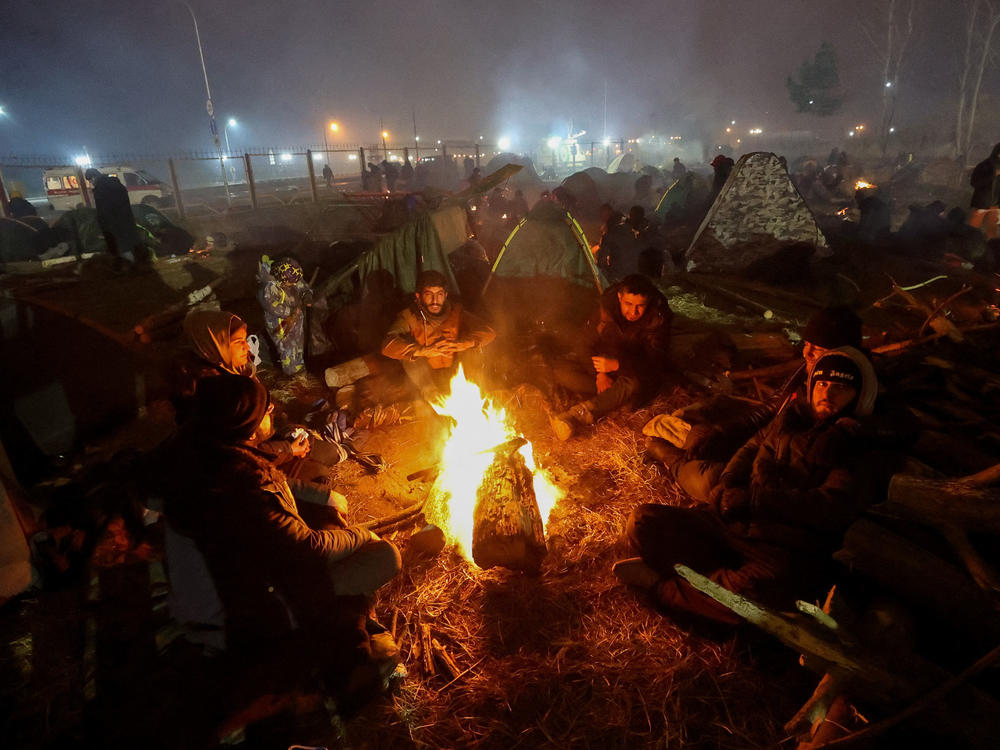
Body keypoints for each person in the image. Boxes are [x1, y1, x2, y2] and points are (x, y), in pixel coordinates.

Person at [160, 374, 401, 695]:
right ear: (245, 423)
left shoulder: (213, 451)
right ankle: (343, 630)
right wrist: (362, 534)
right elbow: (310, 548)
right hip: (245, 610)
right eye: (265, 409)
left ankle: (343, 615)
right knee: (385, 556)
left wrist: (326, 498)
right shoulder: (239, 485)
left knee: (323, 507)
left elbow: (277, 487)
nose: (273, 408)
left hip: (244, 575)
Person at [615, 347, 879, 625]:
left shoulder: (855, 446)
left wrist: (754, 501)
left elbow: (829, 505)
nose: (827, 393)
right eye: (822, 384)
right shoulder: (791, 419)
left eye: (840, 387)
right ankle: (711, 576)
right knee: (644, 520)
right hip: (736, 521)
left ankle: (665, 586)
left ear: (858, 396)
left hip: (781, 547)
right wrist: (726, 482)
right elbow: (750, 449)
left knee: (754, 595)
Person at [645, 306, 864, 504]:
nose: (806, 353)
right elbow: (769, 411)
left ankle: (669, 457)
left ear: (843, 353)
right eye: (806, 345)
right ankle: (674, 436)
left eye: (816, 348)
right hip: (763, 449)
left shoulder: (854, 396)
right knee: (706, 435)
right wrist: (723, 434)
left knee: (710, 479)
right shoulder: (808, 373)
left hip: (773, 473)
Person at [548, 274, 672, 440]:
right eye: (628, 304)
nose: (633, 312)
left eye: (640, 306)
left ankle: (578, 414)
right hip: (605, 370)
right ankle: (612, 399)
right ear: (619, 297)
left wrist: (618, 366)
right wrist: (599, 375)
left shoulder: (657, 319)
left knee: (635, 385)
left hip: (634, 375)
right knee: (562, 370)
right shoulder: (606, 310)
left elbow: (654, 363)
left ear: (648, 302)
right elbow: (583, 343)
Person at [381, 269, 496, 400]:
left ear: (445, 295)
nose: (435, 301)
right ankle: (431, 395)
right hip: (427, 376)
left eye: (439, 294)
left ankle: (476, 391)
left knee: (475, 346)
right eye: (429, 294)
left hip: (456, 372)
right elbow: (387, 345)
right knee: (409, 353)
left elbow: (489, 332)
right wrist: (423, 351)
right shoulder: (410, 316)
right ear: (418, 296)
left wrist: (464, 343)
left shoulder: (456, 312)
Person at [258, 255, 313, 375]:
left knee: (298, 344)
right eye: (290, 282)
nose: (294, 283)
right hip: (279, 323)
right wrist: (289, 311)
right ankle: (292, 374)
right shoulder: (271, 287)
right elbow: (271, 305)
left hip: (296, 319)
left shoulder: (294, 276)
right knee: (287, 347)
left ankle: (299, 366)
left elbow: (303, 287)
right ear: (281, 278)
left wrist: (307, 295)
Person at [84, 168, 146, 265]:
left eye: (90, 180)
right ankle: (138, 262)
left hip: (113, 222)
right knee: (130, 241)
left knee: (121, 245)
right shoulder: (116, 184)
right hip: (126, 218)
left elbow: (103, 209)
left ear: (93, 177)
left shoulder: (100, 189)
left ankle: (132, 266)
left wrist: (103, 224)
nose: (91, 183)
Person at [969, 143, 1000, 239]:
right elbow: (974, 182)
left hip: (996, 205)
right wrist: (993, 175)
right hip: (981, 204)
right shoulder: (984, 165)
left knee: (992, 232)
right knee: (972, 229)